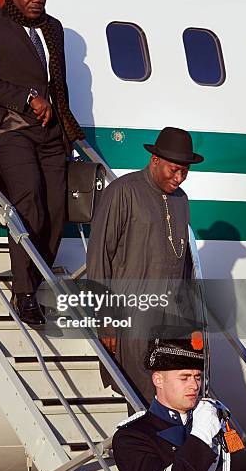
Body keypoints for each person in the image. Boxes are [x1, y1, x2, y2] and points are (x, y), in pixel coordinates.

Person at [0, 0, 84, 325]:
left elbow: (59, 85)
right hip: (9, 127)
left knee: (56, 210)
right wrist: (27, 97)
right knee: (29, 199)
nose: (37, 0)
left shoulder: (52, 28)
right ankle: (24, 292)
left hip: (50, 133)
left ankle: (39, 278)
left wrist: (70, 131)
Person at [87, 127, 204, 404]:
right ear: (155, 161)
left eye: (184, 172)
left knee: (173, 397)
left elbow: (183, 263)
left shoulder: (181, 200)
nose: (179, 178)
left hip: (172, 317)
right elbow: (98, 257)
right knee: (140, 397)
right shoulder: (123, 191)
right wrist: (106, 320)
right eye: (174, 170)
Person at [112, 328, 231, 471]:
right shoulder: (132, 436)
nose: (194, 385)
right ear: (158, 380)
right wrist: (200, 436)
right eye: (184, 377)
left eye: (197, 377)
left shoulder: (208, 420)